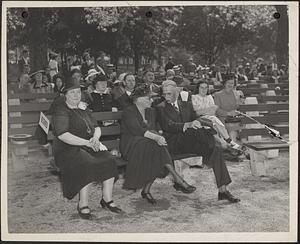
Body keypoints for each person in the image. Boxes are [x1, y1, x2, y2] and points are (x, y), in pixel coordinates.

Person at [156, 80, 240, 203]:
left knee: (214, 147)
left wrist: (202, 123)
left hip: (193, 141)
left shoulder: (186, 105)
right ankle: (224, 145)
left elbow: (196, 119)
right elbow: (168, 126)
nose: (166, 96)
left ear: (176, 92)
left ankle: (223, 190)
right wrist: (188, 124)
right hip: (175, 143)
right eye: (164, 94)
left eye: (169, 93)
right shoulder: (161, 107)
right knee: (199, 131)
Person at [51, 78, 122, 219]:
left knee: (108, 159)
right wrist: (87, 143)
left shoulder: (83, 109)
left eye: (78, 92)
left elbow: (96, 127)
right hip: (68, 149)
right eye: (72, 92)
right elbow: (63, 135)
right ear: (65, 95)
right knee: (87, 163)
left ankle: (107, 199)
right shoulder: (61, 111)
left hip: (87, 145)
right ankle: (82, 204)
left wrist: (95, 139)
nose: (76, 95)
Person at [120, 84, 196, 205]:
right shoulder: (129, 112)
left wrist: (158, 136)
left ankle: (148, 190)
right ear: (138, 99)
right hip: (131, 145)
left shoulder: (150, 111)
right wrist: (157, 137)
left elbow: (155, 127)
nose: (151, 100)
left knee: (156, 150)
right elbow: (137, 131)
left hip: (149, 144)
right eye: (148, 98)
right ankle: (177, 179)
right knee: (157, 147)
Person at [191, 81, 243, 151]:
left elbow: (213, 111)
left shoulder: (209, 97)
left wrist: (205, 110)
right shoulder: (194, 97)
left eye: (206, 88)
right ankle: (229, 141)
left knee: (214, 122)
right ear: (198, 88)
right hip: (200, 119)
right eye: (202, 88)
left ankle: (228, 145)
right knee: (214, 120)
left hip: (211, 119)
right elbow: (197, 112)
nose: (204, 90)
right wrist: (209, 109)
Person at [213, 76, 244, 143]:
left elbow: (238, 107)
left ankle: (236, 146)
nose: (230, 85)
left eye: (232, 83)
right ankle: (234, 147)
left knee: (244, 127)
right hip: (224, 119)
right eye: (228, 83)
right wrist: (228, 113)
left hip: (236, 119)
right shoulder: (218, 95)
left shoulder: (237, 94)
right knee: (232, 130)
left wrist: (240, 103)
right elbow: (217, 110)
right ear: (224, 83)